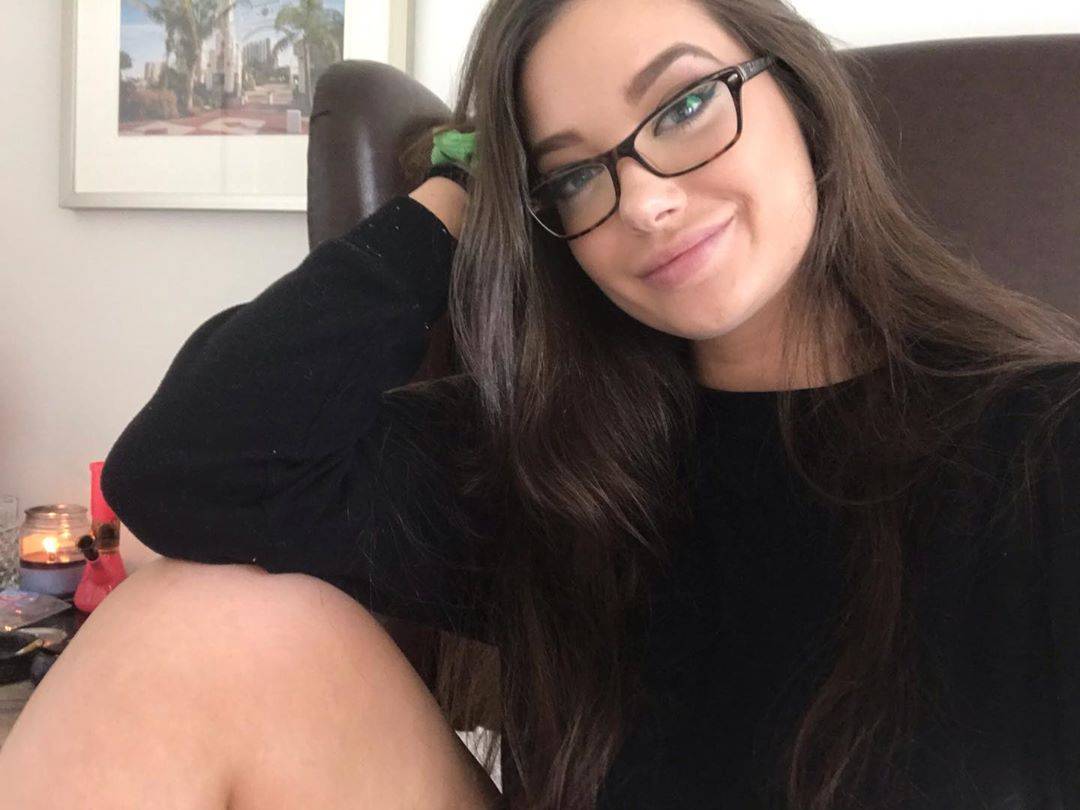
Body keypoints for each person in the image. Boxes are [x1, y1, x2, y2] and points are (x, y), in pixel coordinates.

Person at [2, 0, 1078, 808]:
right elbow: (182, 474)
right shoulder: (558, 457)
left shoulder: (1044, 444)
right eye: (570, 176)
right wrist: (462, 187)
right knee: (188, 624)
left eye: (686, 105)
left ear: (797, 94)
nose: (644, 201)